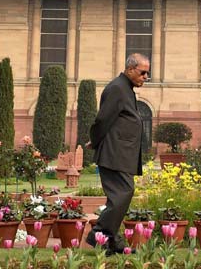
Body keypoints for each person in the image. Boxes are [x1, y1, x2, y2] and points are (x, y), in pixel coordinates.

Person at [86, 53, 149, 252]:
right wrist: (95, 141)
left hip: (121, 154)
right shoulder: (117, 88)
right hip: (114, 154)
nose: (145, 77)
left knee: (118, 198)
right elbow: (103, 120)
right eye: (143, 72)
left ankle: (112, 242)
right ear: (130, 69)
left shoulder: (125, 88)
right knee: (123, 193)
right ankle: (99, 235)